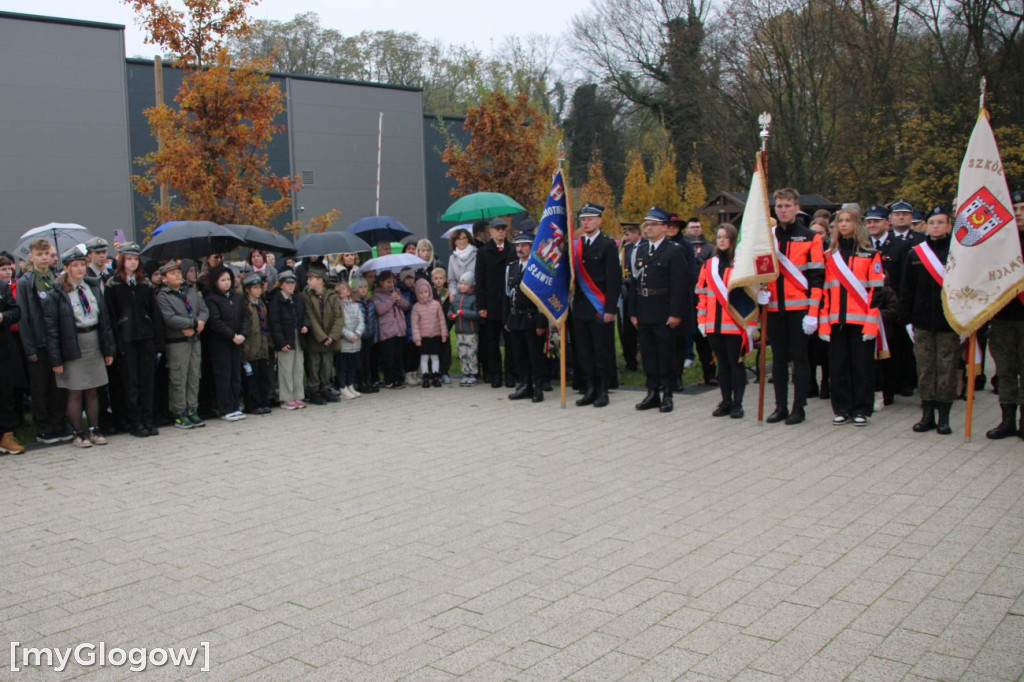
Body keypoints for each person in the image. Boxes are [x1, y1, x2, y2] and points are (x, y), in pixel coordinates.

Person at [44, 244, 116, 448]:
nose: (80, 269)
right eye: (74, 265)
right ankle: (77, 433)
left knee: (93, 389)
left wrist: (108, 349)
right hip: (72, 344)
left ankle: (94, 429)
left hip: (93, 340)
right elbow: (52, 329)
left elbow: (105, 321)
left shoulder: (92, 286)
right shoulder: (57, 293)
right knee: (75, 390)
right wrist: (56, 359)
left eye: (82, 265)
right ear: (66, 268)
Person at [764, 187, 825, 425]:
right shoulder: (768, 237)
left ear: (796, 208)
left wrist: (813, 312)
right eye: (779, 206)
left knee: (800, 358)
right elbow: (761, 270)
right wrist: (760, 290)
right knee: (778, 359)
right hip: (773, 308)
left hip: (800, 309)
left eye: (787, 205)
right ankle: (780, 405)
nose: (783, 210)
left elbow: (817, 277)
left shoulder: (811, 237)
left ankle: (799, 406)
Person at [817, 208, 884, 426]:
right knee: (838, 367)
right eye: (840, 221)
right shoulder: (829, 256)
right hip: (837, 321)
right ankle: (842, 408)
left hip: (861, 321)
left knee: (862, 367)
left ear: (857, 224)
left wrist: (871, 325)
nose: (844, 224)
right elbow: (825, 292)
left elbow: (876, 293)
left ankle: (861, 409)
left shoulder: (870, 254)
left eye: (848, 221)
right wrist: (824, 324)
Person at [900, 205, 959, 435]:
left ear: (949, 225)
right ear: (926, 225)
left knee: (946, 369)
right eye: (932, 223)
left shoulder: (957, 253)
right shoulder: (916, 253)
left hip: (949, 321)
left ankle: (944, 416)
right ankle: (927, 414)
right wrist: (906, 318)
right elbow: (907, 288)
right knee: (925, 369)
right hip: (922, 320)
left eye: (940, 222)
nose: (935, 227)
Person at [629, 207, 690, 413]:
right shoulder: (641, 250)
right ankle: (652, 391)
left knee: (666, 354)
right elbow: (634, 283)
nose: (649, 228)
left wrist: (675, 313)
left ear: (665, 228)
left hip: (663, 309)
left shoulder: (674, 250)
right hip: (644, 308)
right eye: (647, 224)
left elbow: (679, 285)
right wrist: (633, 312)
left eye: (654, 224)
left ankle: (667, 393)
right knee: (648, 353)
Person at [17, 238, 71, 444]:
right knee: (40, 388)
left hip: (56, 342)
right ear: (31, 257)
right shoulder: (26, 282)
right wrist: (29, 347)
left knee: (59, 386)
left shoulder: (57, 279)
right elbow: (23, 317)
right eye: (39, 255)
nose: (44, 258)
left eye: (47, 254)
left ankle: (59, 424)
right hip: (38, 343)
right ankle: (44, 428)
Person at [103, 243, 159, 438]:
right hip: (126, 340)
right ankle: (135, 422)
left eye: (135, 259)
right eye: (129, 259)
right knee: (131, 383)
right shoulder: (113, 284)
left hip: (146, 338)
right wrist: (116, 343)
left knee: (147, 382)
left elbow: (154, 312)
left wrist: (156, 341)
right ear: (122, 261)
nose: (132, 263)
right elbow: (110, 316)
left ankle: (148, 419)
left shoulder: (145, 283)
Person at [695, 224, 750, 418]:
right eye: (718, 237)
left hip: (735, 324)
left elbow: (749, 295)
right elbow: (701, 294)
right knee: (723, 366)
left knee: (736, 365)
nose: (722, 240)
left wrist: (750, 324)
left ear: (733, 239)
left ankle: (738, 403)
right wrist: (701, 319)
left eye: (726, 237)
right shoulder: (709, 265)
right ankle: (725, 401)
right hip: (713, 324)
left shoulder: (742, 265)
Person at [572, 202, 621, 408]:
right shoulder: (576, 245)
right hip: (581, 305)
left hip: (600, 305)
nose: (586, 222)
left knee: (602, 350)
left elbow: (613, 279)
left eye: (590, 219)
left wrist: (610, 308)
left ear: (600, 221)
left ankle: (603, 389)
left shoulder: (608, 244)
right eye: (583, 219)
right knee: (584, 350)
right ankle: (589, 387)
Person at [865, 204, 914, 403]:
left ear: (887, 223)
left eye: (877, 221)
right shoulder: (863, 244)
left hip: (891, 305)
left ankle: (891, 389)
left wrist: (902, 308)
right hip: (867, 304)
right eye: (869, 221)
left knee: (893, 349)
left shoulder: (900, 246)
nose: (872, 225)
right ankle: (872, 388)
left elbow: (905, 279)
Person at [985, 189, 1024, 439]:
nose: (1018, 214)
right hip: (1003, 317)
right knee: (1006, 370)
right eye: (1015, 209)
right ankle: (1007, 419)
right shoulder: (999, 243)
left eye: (1022, 209)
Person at [156, 261, 208, 429]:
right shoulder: (163, 296)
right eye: (172, 273)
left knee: (194, 375)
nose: (177, 275)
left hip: (194, 339)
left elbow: (204, 309)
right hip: (177, 342)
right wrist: (191, 323)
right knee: (179, 377)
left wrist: (200, 322)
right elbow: (169, 317)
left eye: (178, 272)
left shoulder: (190, 291)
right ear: (164, 279)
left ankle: (192, 408)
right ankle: (179, 412)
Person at [504, 231, 547, 402]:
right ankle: (524, 385)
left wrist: (541, 322)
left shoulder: (537, 267)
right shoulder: (512, 267)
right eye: (518, 246)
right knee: (519, 354)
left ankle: (538, 387)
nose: (520, 249)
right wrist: (507, 318)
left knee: (534, 355)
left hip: (532, 317)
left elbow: (542, 296)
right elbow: (508, 295)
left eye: (524, 246)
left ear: (531, 247)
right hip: (516, 317)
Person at [476, 217, 517, 388]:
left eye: (503, 228)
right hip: (491, 302)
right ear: (490, 232)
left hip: (508, 302)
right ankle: (495, 374)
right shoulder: (484, 252)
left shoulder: (512, 249)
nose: (500, 231)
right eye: (497, 228)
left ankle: (510, 374)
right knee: (491, 342)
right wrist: (482, 305)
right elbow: (480, 280)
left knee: (510, 341)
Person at [205, 265, 247, 421]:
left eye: (228, 279)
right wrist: (232, 335)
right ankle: (225, 408)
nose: (226, 283)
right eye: (222, 280)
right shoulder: (211, 299)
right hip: (221, 343)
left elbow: (245, 317)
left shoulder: (237, 297)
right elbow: (216, 322)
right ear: (215, 282)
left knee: (236, 374)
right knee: (224, 375)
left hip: (237, 342)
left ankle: (235, 405)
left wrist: (243, 334)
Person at [267, 270, 308, 410]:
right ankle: (286, 397)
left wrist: (305, 326)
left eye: (293, 283)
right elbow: (274, 323)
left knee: (298, 367)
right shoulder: (276, 300)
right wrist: (281, 342)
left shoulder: (297, 298)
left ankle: (298, 395)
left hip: (298, 335)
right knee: (286, 368)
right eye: (287, 283)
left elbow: (304, 315)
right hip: (285, 337)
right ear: (281, 285)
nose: (291, 286)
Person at [303, 264, 343, 404]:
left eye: (311, 278)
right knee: (314, 365)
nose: (308, 281)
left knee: (327, 364)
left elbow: (339, 317)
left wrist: (332, 336)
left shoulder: (332, 296)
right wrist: (322, 337)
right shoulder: (307, 295)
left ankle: (325, 389)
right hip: (315, 338)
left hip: (330, 338)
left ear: (320, 280)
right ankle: (314, 391)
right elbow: (311, 318)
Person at [0, 255, 26, 454]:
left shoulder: (2, 287)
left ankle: (7, 436)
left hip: (4, 349)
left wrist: (2, 316)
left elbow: (15, 311)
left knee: (6, 393)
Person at [241, 273, 272, 415]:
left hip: (262, 346)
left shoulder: (261, 305)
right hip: (250, 348)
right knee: (251, 379)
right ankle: (253, 404)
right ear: (247, 289)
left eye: (260, 287)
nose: (258, 290)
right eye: (255, 287)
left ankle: (263, 401)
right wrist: (245, 351)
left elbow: (266, 326)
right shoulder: (245, 306)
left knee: (263, 377)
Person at [373, 270, 410, 389]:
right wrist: (391, 299)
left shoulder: (396, 292)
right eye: (388, 282)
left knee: (398, 356)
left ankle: (399, 377)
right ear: (381, 282)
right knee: (388, 357)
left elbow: (406, 305)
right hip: (387, 331)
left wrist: (398, 298)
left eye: (392, 281)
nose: (391, 284)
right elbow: (380, 309)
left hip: (399, 330)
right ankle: (389, 379)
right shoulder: (377, 295)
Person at [411, 278, 447, 388]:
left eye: (425, 292)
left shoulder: (436, 305)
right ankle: (425, 376)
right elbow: (415, 324)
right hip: (423, 337)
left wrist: (444, 333)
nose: (423, 295)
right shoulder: (416, 307)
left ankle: (436, 376)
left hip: (435, 335)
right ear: (417, 294)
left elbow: (441, 320)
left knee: (435, 357)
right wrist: (417, 338)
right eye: (421, 293)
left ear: (430, 291)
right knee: (424, 357)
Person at [450, 271, 480, 386]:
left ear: (472, 286)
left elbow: (476, 314)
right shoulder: (456, 297)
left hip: (471, 332)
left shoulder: (474, 298)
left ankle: (473, 374)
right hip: (459, 331)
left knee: (471, 353)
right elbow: (451, 310)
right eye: (461, 283)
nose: (462, 286)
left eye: (465, 284)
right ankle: (465, 373)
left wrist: (464, 313)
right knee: (462, 353)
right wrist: (451, 315)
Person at [335, 279, 364, 399]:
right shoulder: (337, 306)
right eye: (339, 289)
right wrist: (350, 335)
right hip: (344, 343)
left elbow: (361, 320)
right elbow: (338, 324)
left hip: (356, 342)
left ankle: (350, 384)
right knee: (343, 366)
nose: (341, 291)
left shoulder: (355, 305)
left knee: (352, 365)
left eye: (343, 288)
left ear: (348, 291)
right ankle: (342, 387)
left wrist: (357, 333)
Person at [618, 223, 641, 372]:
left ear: (637, 233)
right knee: (626, 329)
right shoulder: (625, 250)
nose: (626, 236)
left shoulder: (643, 247)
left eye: (629, 232)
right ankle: (630, 361)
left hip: (640, 291)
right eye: (625, 233)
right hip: (627, 291)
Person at [352, 276, 379, 393]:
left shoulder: (371, 302)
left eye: (365, 287)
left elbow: (374, 319)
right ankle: (361, 381)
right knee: (360, 360)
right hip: (359, 336)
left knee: (367, 360)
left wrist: (375, 335)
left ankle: (367, 380)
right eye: (360, 287)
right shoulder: (354, 303)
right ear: (355, 289)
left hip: (369, 334)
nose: (363, 289)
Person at [431, 267, 453, 383]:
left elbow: (451, 309)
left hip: (445, 325)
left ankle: (444, 371)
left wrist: (448, 323)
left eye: (441, 278)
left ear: (445, 279)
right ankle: (434, 372)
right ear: (432, 279)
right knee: (434, 349)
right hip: (433, 327)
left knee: (445, 349)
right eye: (436, 278)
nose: (438, 281)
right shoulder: (430, 293)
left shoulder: (449, 293)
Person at [446, 228, 477, 297]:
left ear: (468, 239)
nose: (462, 241)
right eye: (458, 239)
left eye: (464, 238)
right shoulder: (452, 258)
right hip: (459, 296)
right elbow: (452, 281)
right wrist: (453, 293)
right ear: (454, 242)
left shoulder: (477, 254)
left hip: (475, 295)